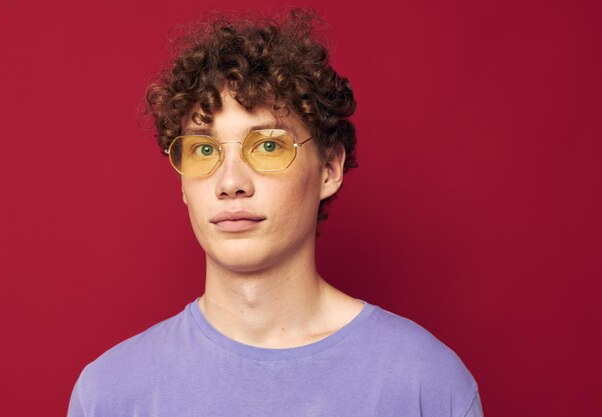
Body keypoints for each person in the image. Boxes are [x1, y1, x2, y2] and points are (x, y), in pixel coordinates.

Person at [67, 9, 483, 417]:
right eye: (204, 150)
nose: (230, 182)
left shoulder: (427, 384)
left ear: (329, 169)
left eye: (268, 146)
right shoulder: (109, 393)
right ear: (182, 183)